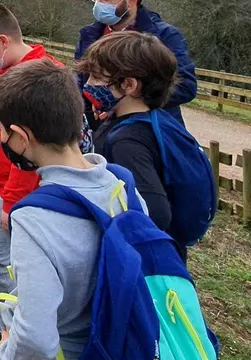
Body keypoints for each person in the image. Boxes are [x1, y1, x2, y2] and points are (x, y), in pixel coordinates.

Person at [0, 59, 147, 360]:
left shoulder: (34, 219)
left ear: (21, 137)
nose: (1, 141)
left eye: (1, 132)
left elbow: (37, 341)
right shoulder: (125, 188)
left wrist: (8, 348)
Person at [0, 3, 62, 360]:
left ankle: (20, 337)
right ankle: (9, 318)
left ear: (3, 40)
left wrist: (13, 199)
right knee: (3, 259)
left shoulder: (34, 77)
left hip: (11, 189)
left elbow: (31, 151)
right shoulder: (7, 69)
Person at [78, 31, 182, 252]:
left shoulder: (127, 141)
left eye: (96, 77)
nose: (88, 84)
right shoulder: (151, 119)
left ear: (129, 85)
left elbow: (156, 212)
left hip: (137, 258)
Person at [76, 0, 196, 124]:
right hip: (99, 130)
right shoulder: (90, 35)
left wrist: (124, 103)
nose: (99, 4)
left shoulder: (165, 36)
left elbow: (186, 86)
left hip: (147, 128)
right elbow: (80, 82)